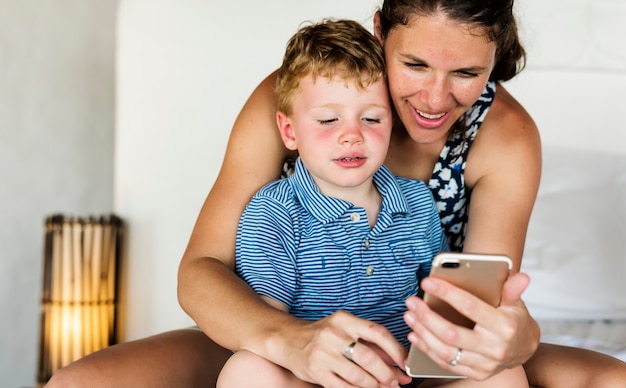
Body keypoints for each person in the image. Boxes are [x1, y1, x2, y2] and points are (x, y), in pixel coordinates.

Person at [46, 1, 626, 387]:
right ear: (380, 31)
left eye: (467, 74)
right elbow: (200, 271)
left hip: (413, 354)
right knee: (77, 383)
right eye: (414, 63)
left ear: (496, 58)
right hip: (279, 332)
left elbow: (470, 315)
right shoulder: (298, 99)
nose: (433, 98)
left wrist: (516, 337)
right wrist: (293, 341)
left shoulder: (505, 139)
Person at [217, 18, 529, 388]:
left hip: (405, 375)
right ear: (289, 131)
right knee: (248, 369)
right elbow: (270, 327)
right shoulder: (273, 214)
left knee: (504, 374)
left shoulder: (416, 202)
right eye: (329, 119)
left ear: (391, 122)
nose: (352, 136)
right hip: (318, 377)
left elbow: (443, 306)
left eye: (371, 118)